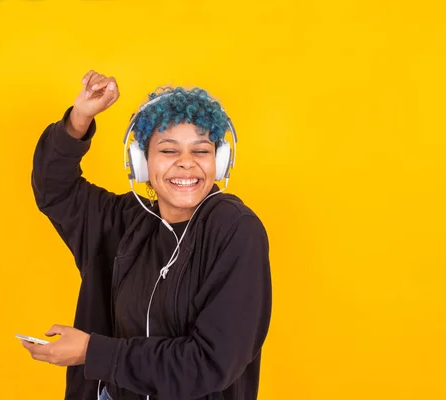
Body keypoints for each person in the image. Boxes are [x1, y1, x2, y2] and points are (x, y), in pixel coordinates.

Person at [21, 69, 272, 400]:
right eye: (168, 151)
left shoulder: (235, 230)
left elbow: (209, 363)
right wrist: (80, 117)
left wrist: (91, 352)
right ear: (141, 163)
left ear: (220, 162)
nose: (186, 164)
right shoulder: (126, 220)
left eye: (201, 150)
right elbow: (54, 188)